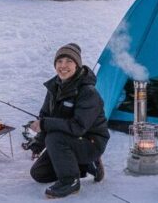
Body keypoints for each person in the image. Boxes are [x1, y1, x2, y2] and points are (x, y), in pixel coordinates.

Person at [25, 43, 109, 199]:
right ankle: (86, 165)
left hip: (91, 142)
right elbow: (45, 116)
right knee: (39, 174)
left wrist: (44, 125)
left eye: (69, 61)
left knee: (54, 138)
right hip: (69, 140)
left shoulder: (88, 93)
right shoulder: (54, 88)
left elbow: (78, 127)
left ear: (77, 65)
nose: (63, 66)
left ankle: (70, 182)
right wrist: (38, 143)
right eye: (59, 61)